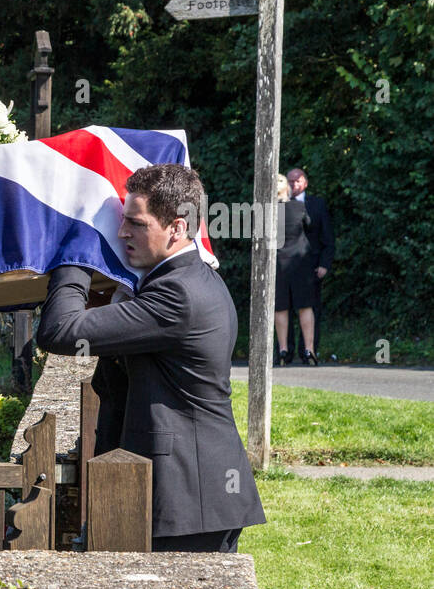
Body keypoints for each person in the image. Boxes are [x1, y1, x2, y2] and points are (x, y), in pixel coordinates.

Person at [36, 163, 265, 552]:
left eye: (136, 224)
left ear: (177, 228)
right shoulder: (184, 281)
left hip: (189, 496)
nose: (122, 232)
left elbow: (59, 332)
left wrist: (75, 252)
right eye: (123, 221)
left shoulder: (177, 295)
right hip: (189, 491)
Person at [286, 167, 334, 363]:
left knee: (311, 308)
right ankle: (285, 352)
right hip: (286, 265)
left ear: (305, 182)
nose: (294, 184)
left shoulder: (317, 204)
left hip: (311, 266)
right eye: (290, 181)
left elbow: (328, 237)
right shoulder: (281, 204)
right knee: (284, 308)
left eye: (298, 181)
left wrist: (324, 264)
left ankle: (309, 351)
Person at [274, 173, 317, 365]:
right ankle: (309, 349)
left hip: (278, 263)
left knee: (280, 308)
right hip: (300, 262)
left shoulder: (265, 211)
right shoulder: (299, 207)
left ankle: (283, 350)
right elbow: (309, 225)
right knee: (305, 307)